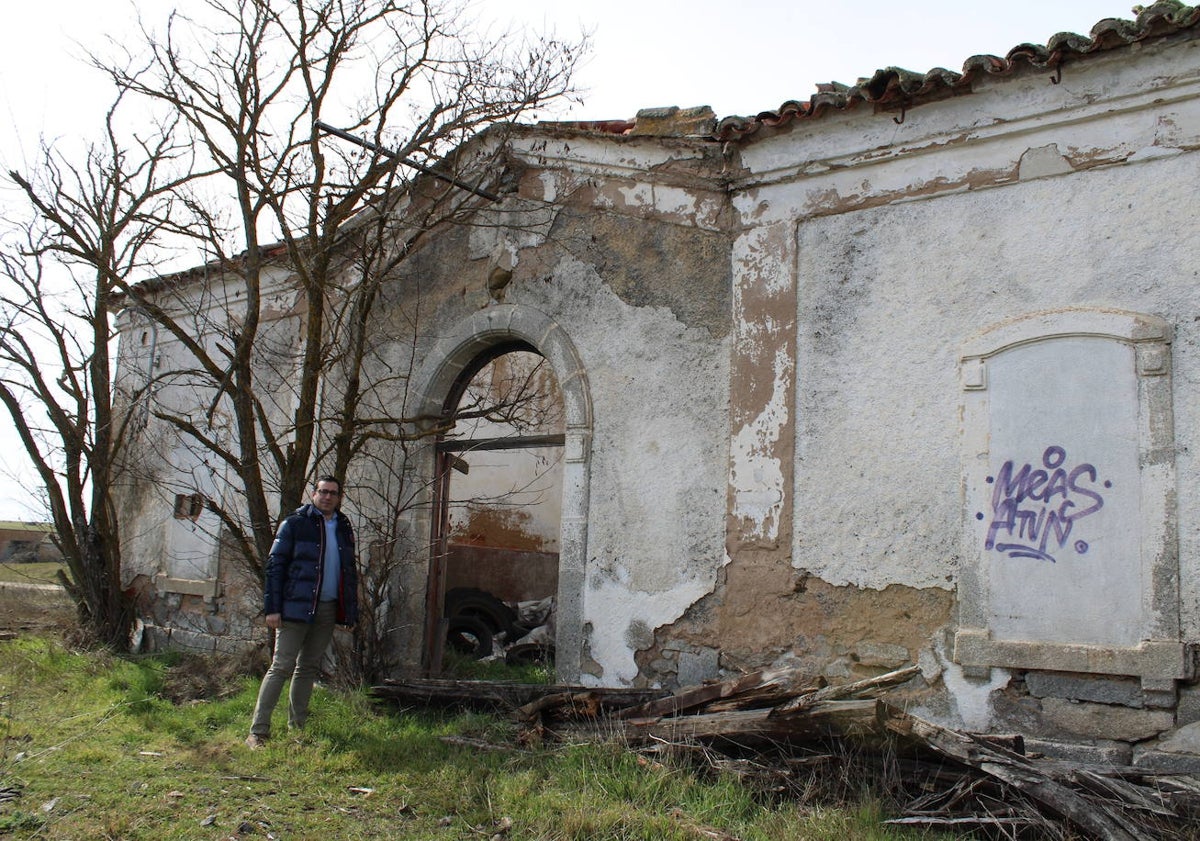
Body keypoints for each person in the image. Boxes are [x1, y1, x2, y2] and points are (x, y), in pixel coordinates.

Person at [246, 476, 358, 748]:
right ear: (313, 494)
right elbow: (275, 567)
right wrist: (272, 609)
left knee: (307, 667)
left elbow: (348, 572)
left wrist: (349, 614)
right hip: (294, 608)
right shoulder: (295, 524)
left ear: (339, 497)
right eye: (322, 492)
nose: (327, 497)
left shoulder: (343, 526)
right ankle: (258, 732)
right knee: (281, 666)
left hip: (327, 608)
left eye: (332, 493)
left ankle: (297, 727)